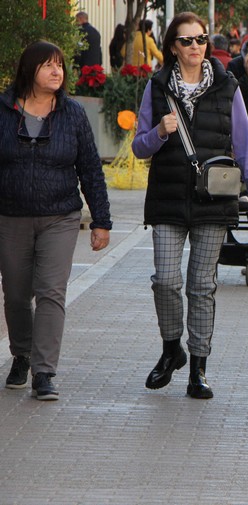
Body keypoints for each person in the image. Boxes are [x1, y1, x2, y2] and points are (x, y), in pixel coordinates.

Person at [131, 12, 248, 400]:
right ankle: (171, 348)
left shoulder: (227, 87)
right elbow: (139, 147)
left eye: (201, 39)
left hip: (213, 200)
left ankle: (198, 368)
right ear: (173, 46)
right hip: (168, 198)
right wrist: (159, 132)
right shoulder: (157, 88)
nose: (196, 47)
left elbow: (245, 151)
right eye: (187, 41)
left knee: (202, 286)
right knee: (165, 280)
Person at [0, 41, 111, 400]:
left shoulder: (73, 113)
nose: (57, 72)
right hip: (10, 215)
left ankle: (44, 372)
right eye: (48, 65)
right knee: (16, 295)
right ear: (29, 70)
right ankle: (22, 352)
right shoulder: (3, 110)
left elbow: (91, 168)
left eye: (60, 65)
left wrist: (101, 221)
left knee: (51, 292)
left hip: (60, 217)